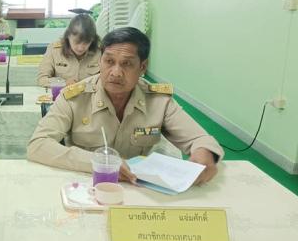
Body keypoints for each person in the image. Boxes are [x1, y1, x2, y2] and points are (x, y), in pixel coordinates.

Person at [27, 27, 223, 185]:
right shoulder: (75, 97)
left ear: (142, 67)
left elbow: (200, 139)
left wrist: (204, 153)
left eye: (127, 64)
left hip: (139, 187)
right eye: (109, 61)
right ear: (100, 61)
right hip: (88, 184)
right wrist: (100, 162)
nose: (115, 72)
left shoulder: (158, 100)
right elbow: (38, 145)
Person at [37, 14, 101, 87]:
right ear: (68, 36)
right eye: (76, 42)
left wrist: (86, 87)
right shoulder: (54, 50)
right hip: (62, 93)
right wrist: (63, 83)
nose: (80, 48)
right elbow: (42, 79)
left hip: (91, 93)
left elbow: (105, 82)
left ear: (93, 40)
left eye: (86, 43)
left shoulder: (100, 52)